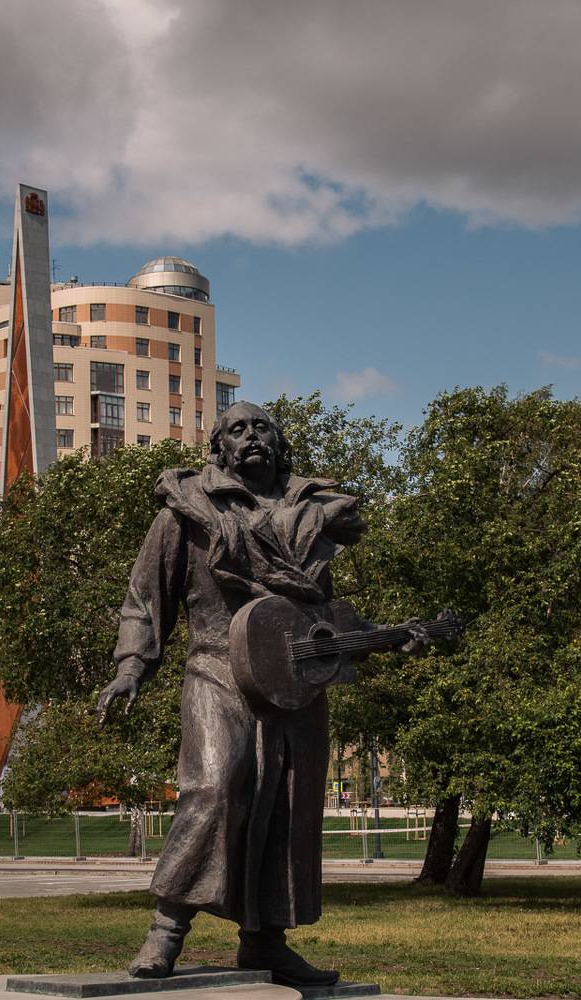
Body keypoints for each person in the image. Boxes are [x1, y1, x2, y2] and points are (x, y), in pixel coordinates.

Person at [96, 401, 426, 988]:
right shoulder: (187, 511)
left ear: (279, 442)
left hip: (292, 679)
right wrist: (131, 666)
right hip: (216, 664)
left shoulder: (312, 516)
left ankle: (265, 942)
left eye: (262, 427)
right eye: (237, 429)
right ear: (219, 447)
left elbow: (315, 613)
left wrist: (378, 638)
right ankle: (166, 929)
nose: (251, 436)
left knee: (287, 808)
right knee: (215, 787)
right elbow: (146, 596)